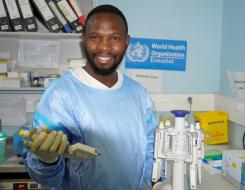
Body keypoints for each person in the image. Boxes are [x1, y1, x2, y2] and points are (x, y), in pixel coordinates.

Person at [24, 4, 158, 190]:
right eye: (95, 37)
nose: (104, 47)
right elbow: (48, 180)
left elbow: (150, 155)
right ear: (83, 39)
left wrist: (159, 181)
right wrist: (47, 161)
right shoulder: (60, 94)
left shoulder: (139, 95)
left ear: (127, 41)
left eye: (115, 38)